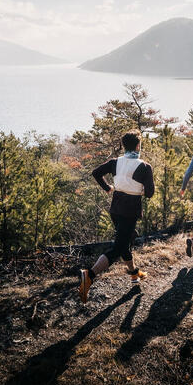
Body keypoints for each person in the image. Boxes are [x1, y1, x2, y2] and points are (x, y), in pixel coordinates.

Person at [79, 130, 155, 303]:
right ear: (137, 146)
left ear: (123, 146)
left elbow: (96, 173)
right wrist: (141, 188)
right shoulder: (144, 166)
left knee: (124, 241)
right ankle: (89, 275)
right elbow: (149, 193)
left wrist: (107, 188)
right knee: (119, 246)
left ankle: (134, 273)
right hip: (130, 210)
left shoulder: (115, 162)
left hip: (116, 208)